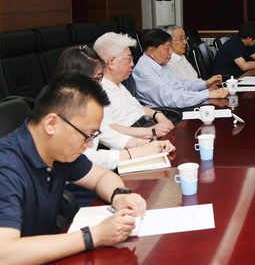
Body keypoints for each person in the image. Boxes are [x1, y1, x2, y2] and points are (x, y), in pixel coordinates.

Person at [0, 72, 146, 264]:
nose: (88, 145)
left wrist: (119, 196)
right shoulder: (6, 167)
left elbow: (101, 177)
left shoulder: (59, 150)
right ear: (51, 124)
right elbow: (5, 253)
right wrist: (94, 236)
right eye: (86, 135)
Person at [57, 46, 175, 171]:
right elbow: (86, 158)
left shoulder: (86, 105)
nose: (101, 84)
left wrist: (147, 144)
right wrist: (135, 152)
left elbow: (106, 133)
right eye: (97, 78)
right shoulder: (64, 113)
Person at [132, 29, 228, 109]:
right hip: (170, 114)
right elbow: (171, 98)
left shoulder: (160, 62)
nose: (170, 52)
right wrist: (208, 95)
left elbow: (180, 83)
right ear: (151, 52)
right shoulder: (144, 72)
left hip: (180, 106)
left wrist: (205, 84)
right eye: (167, 48)